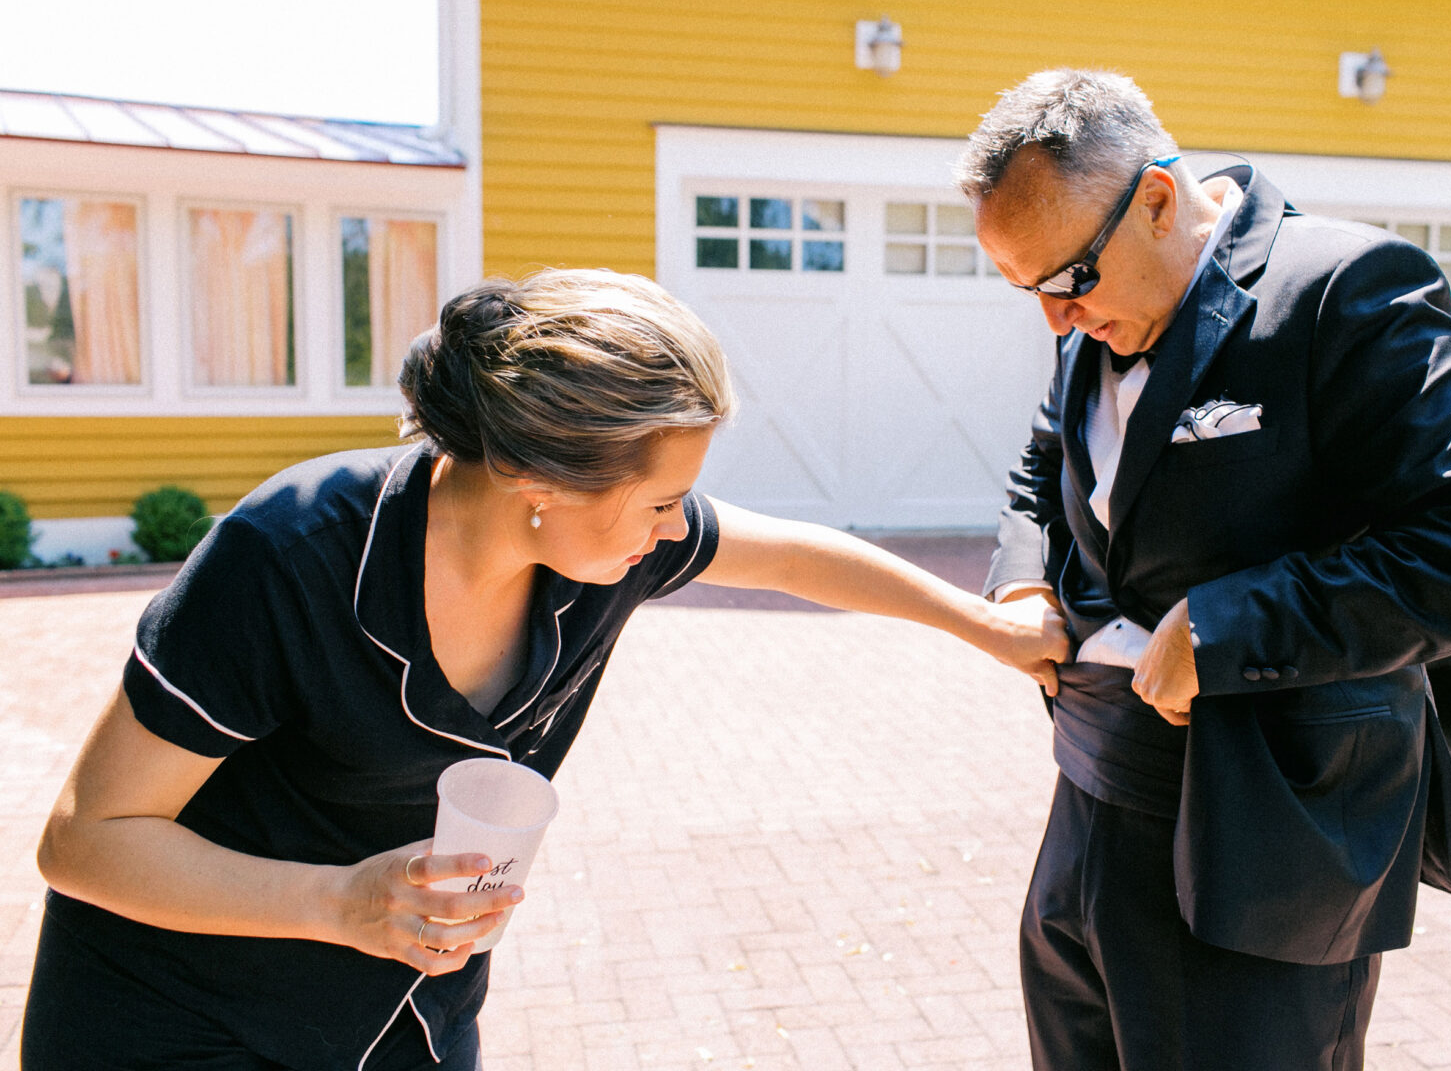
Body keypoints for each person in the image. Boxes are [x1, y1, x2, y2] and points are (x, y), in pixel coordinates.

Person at [22, 269, 1071, 1071]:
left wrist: (985, 627)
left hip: (402, 1009)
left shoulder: (602, 551)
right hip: (175, 1012)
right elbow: (85, 841)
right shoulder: (293, 558)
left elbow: (795, 556)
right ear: (536, 478)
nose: (677, 531)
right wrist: (342, 902)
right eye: (660, 501)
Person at [955, 70, 1451, 1071]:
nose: (1056, 322)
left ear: (1154, 198)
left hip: (1271, 836)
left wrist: (1232, 624)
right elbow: (1040, 466)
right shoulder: (1097, 301)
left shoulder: (1349, 288)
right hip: (1089, 800)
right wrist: (1024, 581)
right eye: (1029, 293)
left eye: (1066, 283)